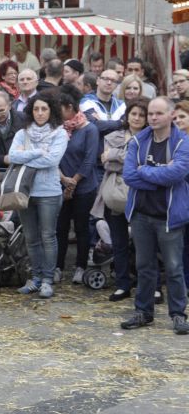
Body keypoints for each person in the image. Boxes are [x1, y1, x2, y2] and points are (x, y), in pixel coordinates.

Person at [121, 97, 189, 335]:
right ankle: (143, 312)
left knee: (174, 268)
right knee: (144, 267)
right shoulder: (138, 141)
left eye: (158, 113)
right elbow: (129, 175)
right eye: (150, 113)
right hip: (141, 215)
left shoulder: (183, 142)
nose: (153, 117)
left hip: (169, 217)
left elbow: (177, 174)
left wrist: (145, 171)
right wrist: (161, 176)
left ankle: (178, 315)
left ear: (171, 115)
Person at [10, 94, 68, 299]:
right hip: (25, 192)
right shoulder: (22, 133)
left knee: (48, 236)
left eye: (44, 109)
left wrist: (25, 156)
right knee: (31, 237)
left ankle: (47, 280)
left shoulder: (59, 133)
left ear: (51, 110)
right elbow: (12, 156)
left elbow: (52, 160)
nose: (40, 113)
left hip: (49, 192)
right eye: (36, 109)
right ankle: (35, 278)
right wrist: (37, 152)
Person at [91, 98, 149, 302]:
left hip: (142, 195)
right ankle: (123, 284)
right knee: (119, 242)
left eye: (142, 115)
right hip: (115, 194)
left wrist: (115, 154)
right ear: (127, 115)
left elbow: (145, 163)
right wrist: (130, 162)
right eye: (134, 114)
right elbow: (107, 165)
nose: (137, 118)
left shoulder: (151, 138)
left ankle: (149, 285)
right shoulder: (112, 136)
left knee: (146, 244)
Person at [56, 85, 100, 285]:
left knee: (82, 227)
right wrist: (63, 179)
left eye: (60, 108)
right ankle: (58, 266)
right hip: (60, 183)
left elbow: (90, 160)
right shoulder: (59, 129)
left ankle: (81, 266)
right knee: (60, 227)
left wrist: (73, 181)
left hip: (84, 186)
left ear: (70, 107)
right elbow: (53, 156)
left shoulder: (89, 129)